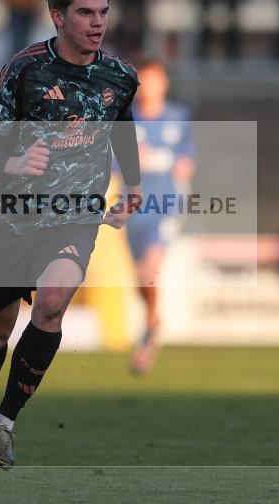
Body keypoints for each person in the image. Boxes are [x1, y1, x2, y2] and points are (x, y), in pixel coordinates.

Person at [0, 0, 142, 469]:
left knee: (53, 303)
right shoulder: (23, 70)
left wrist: (134, 183)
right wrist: (15, 160)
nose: (97, 22)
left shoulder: (121, 75)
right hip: (10, 220)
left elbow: (122, 123)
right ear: (57, 16)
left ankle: (5, 424)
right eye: (85, 11)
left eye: (103, 11)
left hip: (74, 216)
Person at [121, 59, 194, 374]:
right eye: (144, 81)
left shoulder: (179, 119)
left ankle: (149, 332)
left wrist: (179, 169)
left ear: (163, 83)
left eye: (154, 80)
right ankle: (152, 319)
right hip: (134, 209)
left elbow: (186, 160)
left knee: (151, 269)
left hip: (164, 207)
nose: (149, 87)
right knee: (141, 280)